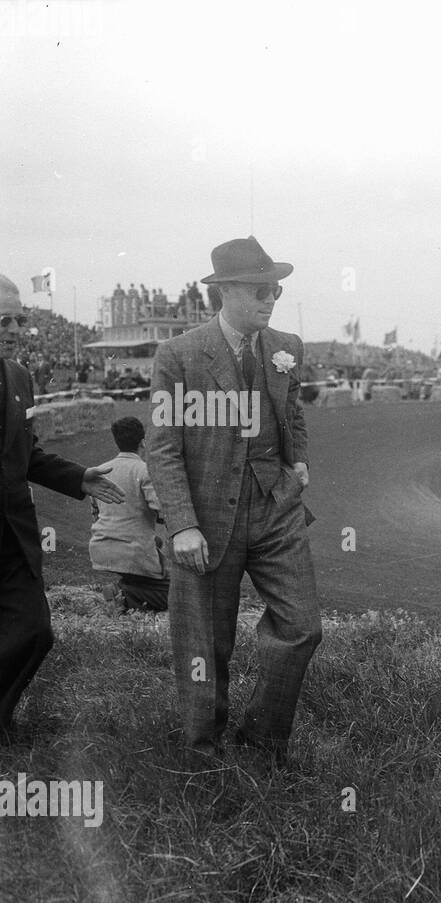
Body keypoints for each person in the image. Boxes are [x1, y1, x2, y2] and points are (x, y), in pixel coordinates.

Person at [145, 236, 321, 760]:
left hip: (275, 508)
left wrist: (298, 463)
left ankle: (263, 737)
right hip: (204, 516)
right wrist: (182, 524)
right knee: (205, 643)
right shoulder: (177, 355)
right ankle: (203, 750)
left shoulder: (286, 346)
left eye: (276, 290)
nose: (271, 299)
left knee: (302, 627)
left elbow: (292, 414)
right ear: (225, 292)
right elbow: (163, 444)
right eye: (261, 289)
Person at [1, 272, 124, 743]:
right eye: (3, 320)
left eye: (18, 319)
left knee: (35, 631)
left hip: (13, 534)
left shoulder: (19, 377)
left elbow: (25, 453)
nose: (13, 329)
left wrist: (77, 477)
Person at [89, 416, 169, 612]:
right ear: (143, 441)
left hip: (102, 547)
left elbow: (96, 512)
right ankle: (123, 595)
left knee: (154, 550)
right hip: (134, 551)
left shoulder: (99, 471)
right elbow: (163, 510)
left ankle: (125, 590)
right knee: (178, 595)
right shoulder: (144, 470)